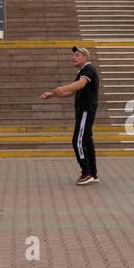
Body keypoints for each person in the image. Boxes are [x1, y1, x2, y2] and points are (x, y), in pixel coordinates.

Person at [39, 46, 99, 185]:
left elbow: (80, 84)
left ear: (85, 57)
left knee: (77, 141)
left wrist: (63, 88)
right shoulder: (82, 71)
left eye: (77, 55)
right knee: (87, 141)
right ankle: (93, 173)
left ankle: (86, 172)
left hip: (86, 110)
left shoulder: (88, 69)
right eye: (73, 55)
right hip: (83, 111)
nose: (74, 57)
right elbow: (72, 92)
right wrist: (53, 94)